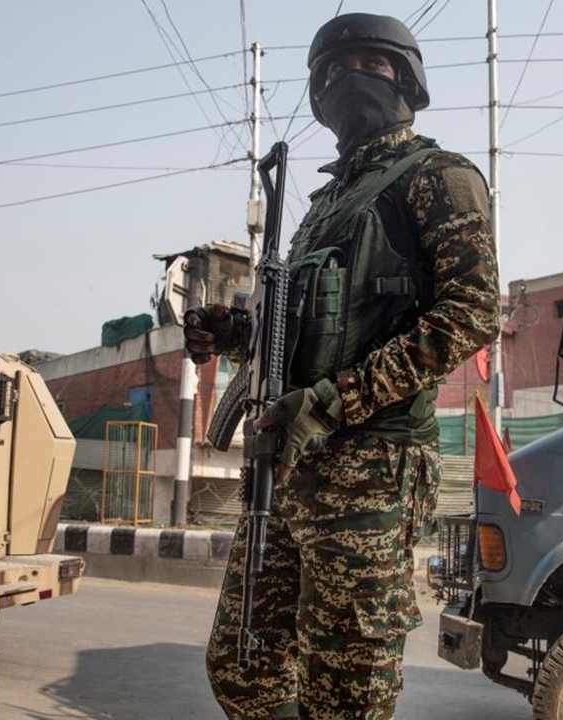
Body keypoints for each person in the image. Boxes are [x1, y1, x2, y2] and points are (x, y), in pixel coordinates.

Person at [186, 12, 500, 719]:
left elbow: (470, 314)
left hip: (370, 468)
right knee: (244, 666)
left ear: (407, 80)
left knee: (344, 687)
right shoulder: (321, 208)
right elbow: (302, 328)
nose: (345, 78)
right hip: (288, 466)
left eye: (369, 63)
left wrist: (334, 401)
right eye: (330, 71)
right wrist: (232, 331)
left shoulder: (438, 177)